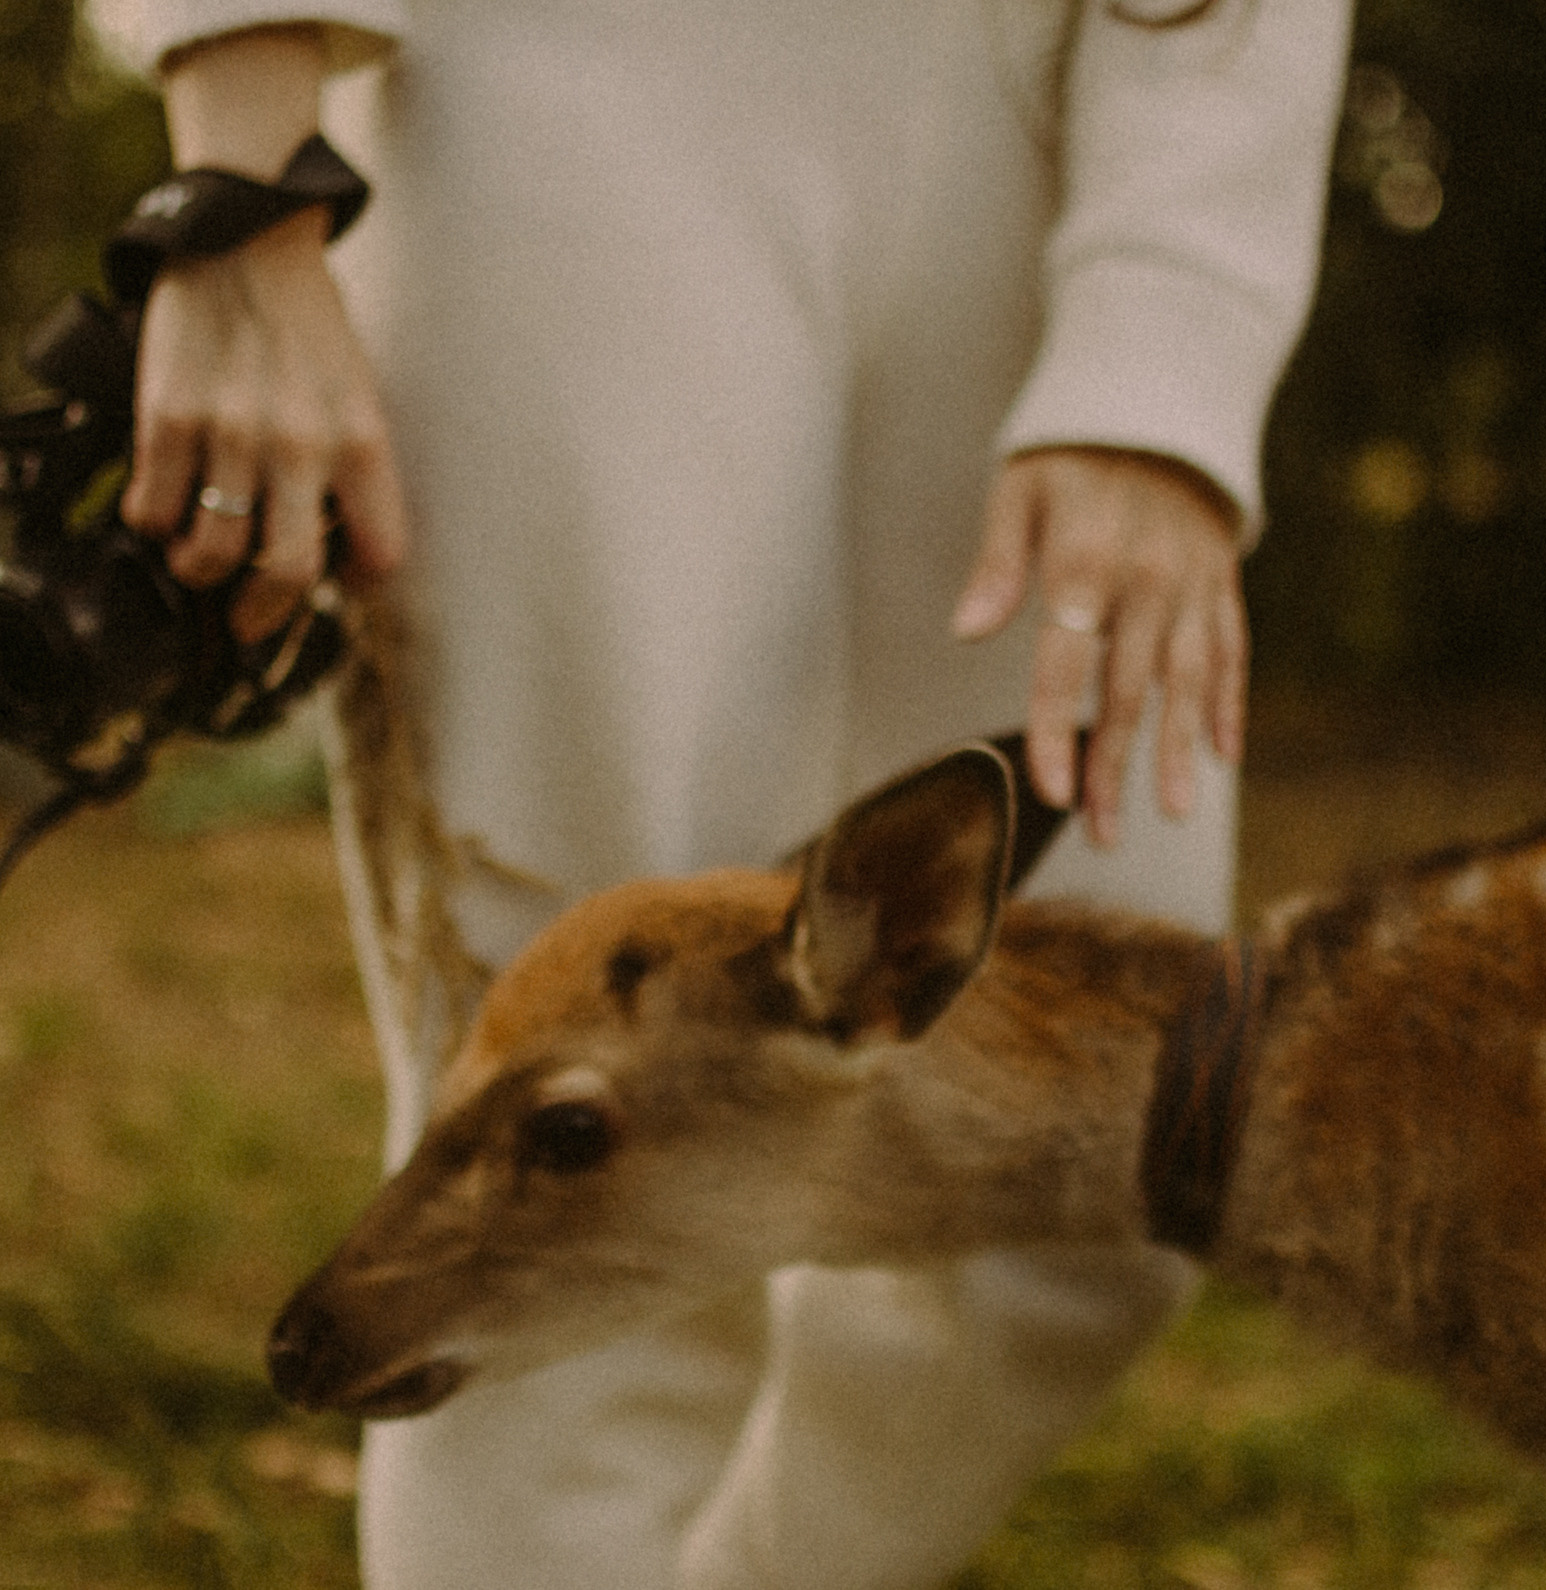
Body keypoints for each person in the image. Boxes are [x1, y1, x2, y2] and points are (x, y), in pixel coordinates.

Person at [110, 2, 1349, 1587]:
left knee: (1083, 1193)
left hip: (1047, 130)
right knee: (551, 1177)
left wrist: (1170, 347)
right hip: (555, 115)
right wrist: (240, 183)